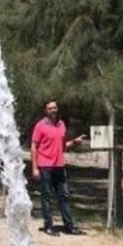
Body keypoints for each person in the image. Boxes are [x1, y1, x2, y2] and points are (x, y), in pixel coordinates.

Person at [31, 99, 86, 236]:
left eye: (55, 108)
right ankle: (48, 226)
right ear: (46, 110)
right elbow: (34, 147)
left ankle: (69, 226)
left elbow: (62, 146)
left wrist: (74, 142)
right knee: (47, 197)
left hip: (59, 166)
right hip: (45, 166)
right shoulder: (40, 126)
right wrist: (35, 168)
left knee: (64, 196)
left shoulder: (61, 125)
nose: (53, 110)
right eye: (50, 108)